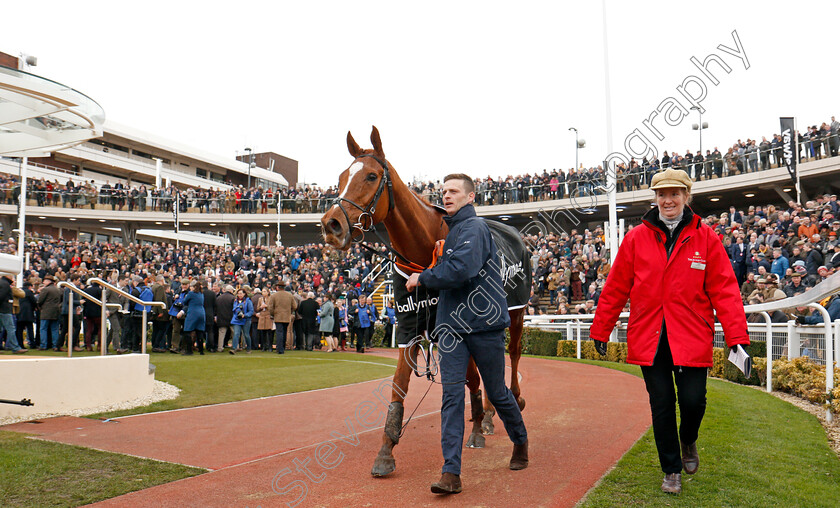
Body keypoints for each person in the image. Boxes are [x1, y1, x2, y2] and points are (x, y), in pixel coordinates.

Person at [590, 168, 749, 495]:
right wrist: (601, 328)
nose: (668, 200)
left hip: (691, 335)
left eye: (674, 194)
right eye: (662, 194)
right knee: (661, 404)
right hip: (650, 336)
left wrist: (737, 339)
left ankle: (688, 439)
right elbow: (617, 287)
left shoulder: (706, 237)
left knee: (693, 401)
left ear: (686, 197)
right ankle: (671, 469)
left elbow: (725, 291)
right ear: (655, 198)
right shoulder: (635, 238)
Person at [406, 173, 528, 495]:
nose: (446, 195)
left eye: (454, 191)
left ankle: (520, 440)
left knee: (498, 392)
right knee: (450, 397)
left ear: (470, 197)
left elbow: (462, 270)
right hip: (453, 329)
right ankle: (451, 473)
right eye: (444, 191)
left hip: (484, 326)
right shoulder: (454, 230)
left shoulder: (474, 228)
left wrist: (423, 277)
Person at [267, 283, 296, 354]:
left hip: (278, 316)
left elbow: (270, 307)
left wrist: (273, 314)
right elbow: (294, 306)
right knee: (284, 332)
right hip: (286, 316)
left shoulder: (274, 296)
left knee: (279, 332)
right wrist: (289, 311)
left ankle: (279, 349)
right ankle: (282, 347)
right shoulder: (290, 295)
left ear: (277, 287)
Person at [181, 280, 205, 355]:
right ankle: (201, 350)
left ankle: (189, 350)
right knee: (199, 331)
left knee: (187, 331)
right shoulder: (201, 294)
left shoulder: (191, 293)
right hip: (201, 312)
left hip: (193, 313)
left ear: (194, 287)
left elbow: (184, 302)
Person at [37, 274, 61, 350]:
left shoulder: (45, 289)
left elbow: (40, 301)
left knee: (43, 328)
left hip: (46, 311)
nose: (43, 282)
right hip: (56, 311)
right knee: (55, 329)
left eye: (44, 281)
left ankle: (43, 345)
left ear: (48, 281)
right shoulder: (57, 290)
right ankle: (55, 345)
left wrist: (39, 307)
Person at [230, 288, 254, 354]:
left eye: (241, 293)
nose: (239, 295)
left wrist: (245, 315)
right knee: (236, 333)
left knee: (246, 334)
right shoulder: (235, 301)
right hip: (237, 320)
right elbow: (234, 309)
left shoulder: (248, 301)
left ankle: (249, 348)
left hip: (246, 320)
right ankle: (234, 348)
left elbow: (251, 311)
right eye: (238, 293)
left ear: (244, 294)